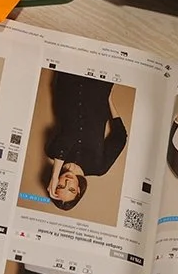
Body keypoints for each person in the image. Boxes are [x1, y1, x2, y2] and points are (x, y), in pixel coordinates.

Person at [38, 72, 128, 211]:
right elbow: (120, 138)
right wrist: (108, 100)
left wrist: (55, 174)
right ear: (79, 190)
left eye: (60, 185)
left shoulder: (52, 151)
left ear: (54, 183)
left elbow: (70, 133)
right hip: (98, 89)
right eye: (72, 189)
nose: (67, 182)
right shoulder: (99, 167)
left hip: (69, 83)